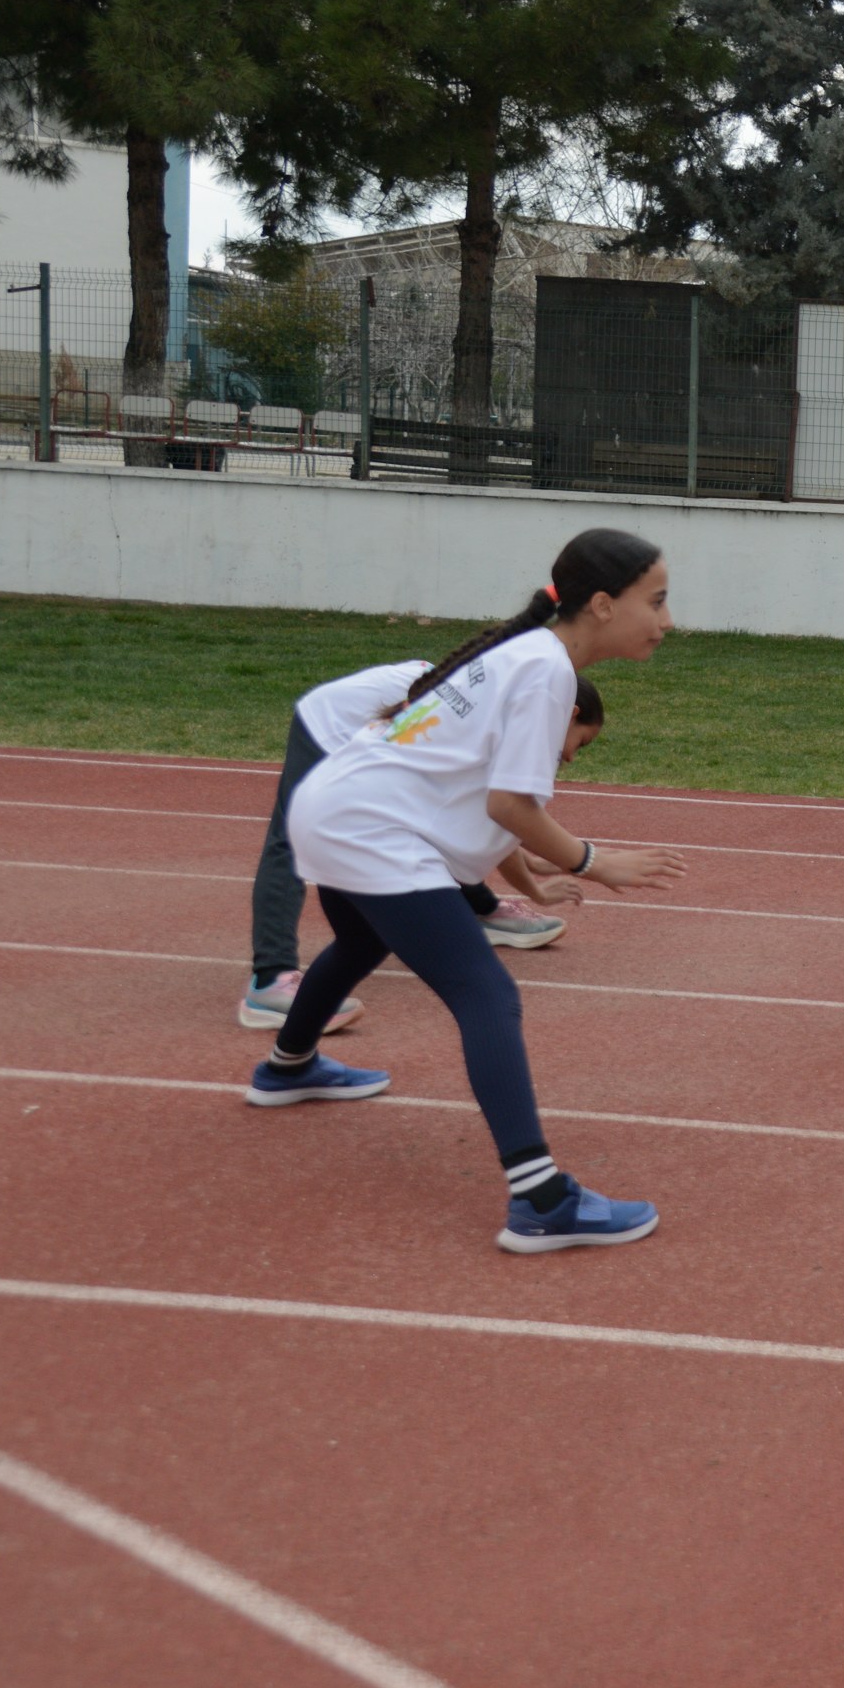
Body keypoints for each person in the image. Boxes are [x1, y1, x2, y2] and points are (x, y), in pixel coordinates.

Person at [249, 529, 688, 1254]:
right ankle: (541, 1199)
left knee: (361, 939)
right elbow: (510, 806)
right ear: (604, 605)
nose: (668, 620)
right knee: (488, 996)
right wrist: (594, 862)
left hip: (334, 807)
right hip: (368, 826)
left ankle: (287, 1066)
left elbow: (487, 802)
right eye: (659, 601)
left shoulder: (527, 655)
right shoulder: (546, 672)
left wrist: (537, 882)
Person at [241, 661, 601, 1029]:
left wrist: (533, 863)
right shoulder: (493, 717)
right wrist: (536, 888)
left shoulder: (510, 712)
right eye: (581, 742)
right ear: (570, 714)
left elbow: (480, 812)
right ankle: (270, 981)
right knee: (289, 842)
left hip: (377, 737)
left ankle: (482, 910)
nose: (571, 757)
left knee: (429, 820)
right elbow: (501, 811)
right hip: (332, 725)